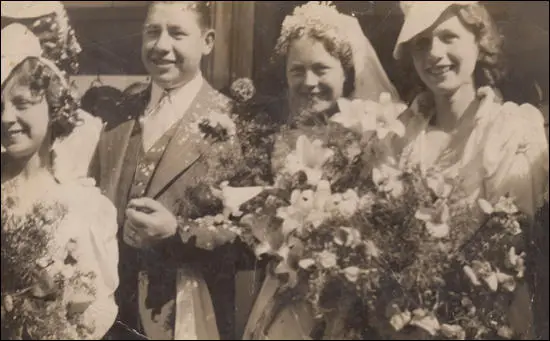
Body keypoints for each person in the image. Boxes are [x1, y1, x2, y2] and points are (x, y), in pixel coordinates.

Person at [241, 2, 401, 339]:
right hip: (288, 287)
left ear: (346, 72)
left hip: (351, 295)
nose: (309, 81)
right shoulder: (280, 137)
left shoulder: (370, 138)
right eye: (297, 70)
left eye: (321, 69)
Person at [390, 1, 549, 338]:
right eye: (422, 42)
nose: (434, 53)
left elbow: (513, 238)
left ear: (479, 41)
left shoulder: (510, 130)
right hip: (408, 320)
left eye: (449, 37)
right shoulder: (400, 136)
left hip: (488, 314)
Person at [91, 2, 247, 339]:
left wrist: (177, 233)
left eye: (177, 33)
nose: (161, 46)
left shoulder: (235, 123)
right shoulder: (117, 117)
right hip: (111, 318)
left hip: (189, 318)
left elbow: (249, 241)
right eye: (152, 32)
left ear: (207, 41)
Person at [0, 18, 119, 340]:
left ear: (52, 106)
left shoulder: (81, 203)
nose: (6, 117)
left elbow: (96, 308)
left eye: (21, 103)